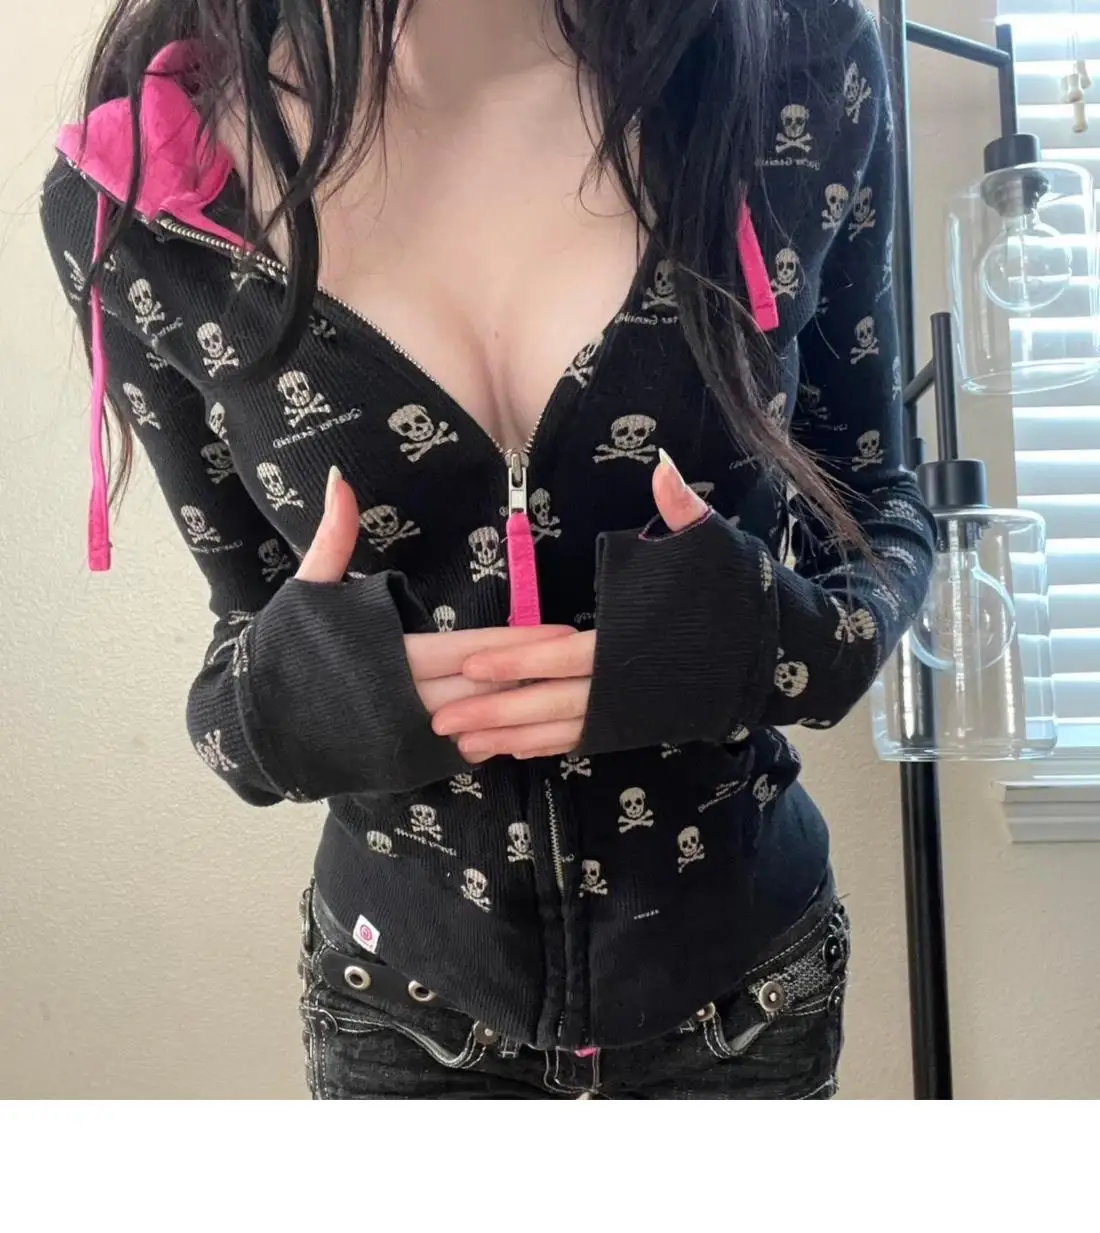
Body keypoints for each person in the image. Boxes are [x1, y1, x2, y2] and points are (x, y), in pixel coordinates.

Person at [41, 0, 934, 1099]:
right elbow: (244, 648)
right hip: (404, 1014)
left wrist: (765, 646)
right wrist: (284, 707)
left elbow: (878, 509)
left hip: (744, 996)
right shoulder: (134, 198)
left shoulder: (801, 67)